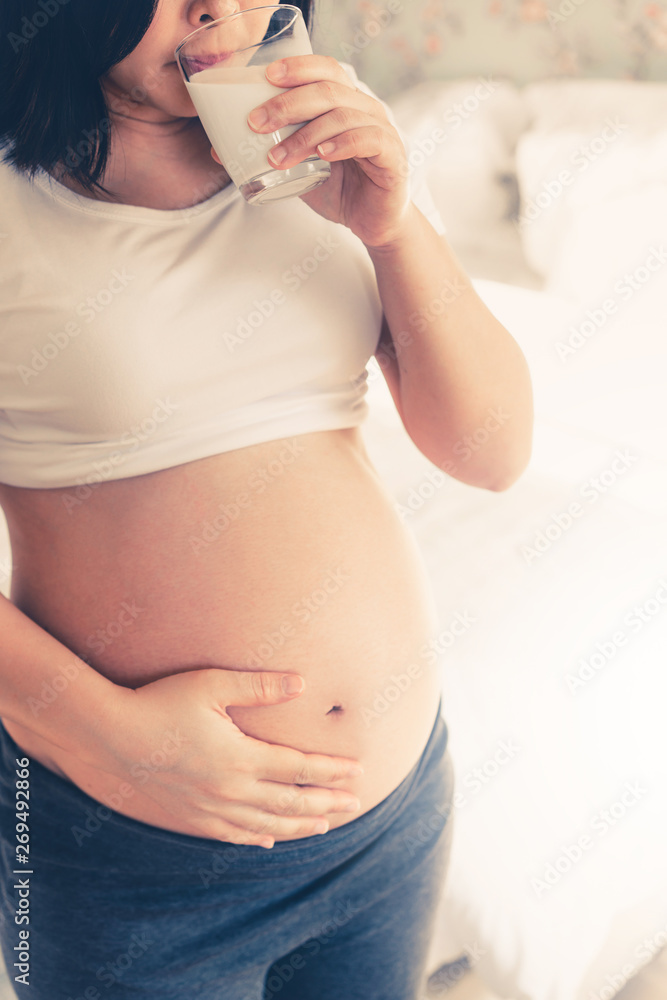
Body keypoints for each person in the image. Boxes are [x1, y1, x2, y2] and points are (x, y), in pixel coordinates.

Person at [0, 1, 534, 997]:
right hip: (133, 859)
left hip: (388, 824)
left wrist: (392, 224)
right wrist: (102, 735)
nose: (219, 10)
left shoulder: (321, 147)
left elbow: (490, 452)